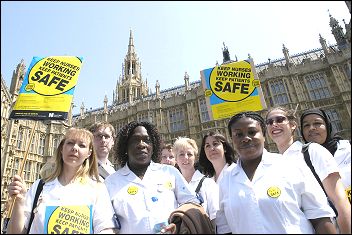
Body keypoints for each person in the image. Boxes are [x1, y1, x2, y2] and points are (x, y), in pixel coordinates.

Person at [216, 111, 337, 234]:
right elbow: (224, 228)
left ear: (264, 135)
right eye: (238, 134)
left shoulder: (291, 165)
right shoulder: (226, 179)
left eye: (252, 132)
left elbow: (320, 216)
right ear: (232, 140)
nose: (246, 138)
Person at [7, 128, 118, 234]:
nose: (75, 148)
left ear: (89, 153)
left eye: (82, 145)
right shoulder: (39, 187)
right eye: (70, 143)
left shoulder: (97, 189)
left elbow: (105, 229)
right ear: (61, 148)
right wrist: (19, 201)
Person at [104, 121, 199, 234]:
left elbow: (192, 204)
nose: (142, 144)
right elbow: (105, 224)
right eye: (135, 140)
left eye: (147, 140)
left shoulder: (170, 172)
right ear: (125, 147)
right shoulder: (111, 183)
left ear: (153, 147)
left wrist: (177, 224)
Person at [299, 108, 351, 233]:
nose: (311, 128)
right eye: (306, 125)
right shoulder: (298, 160)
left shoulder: (348, 148)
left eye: (317, 123)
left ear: (327, 125)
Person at [172, 137, 219, 225]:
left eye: (189, 154)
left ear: (195, 158)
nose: (186, 158)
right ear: (175, 159)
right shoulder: (172, 187)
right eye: (181, 154)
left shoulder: (208, 183)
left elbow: (216, 218)